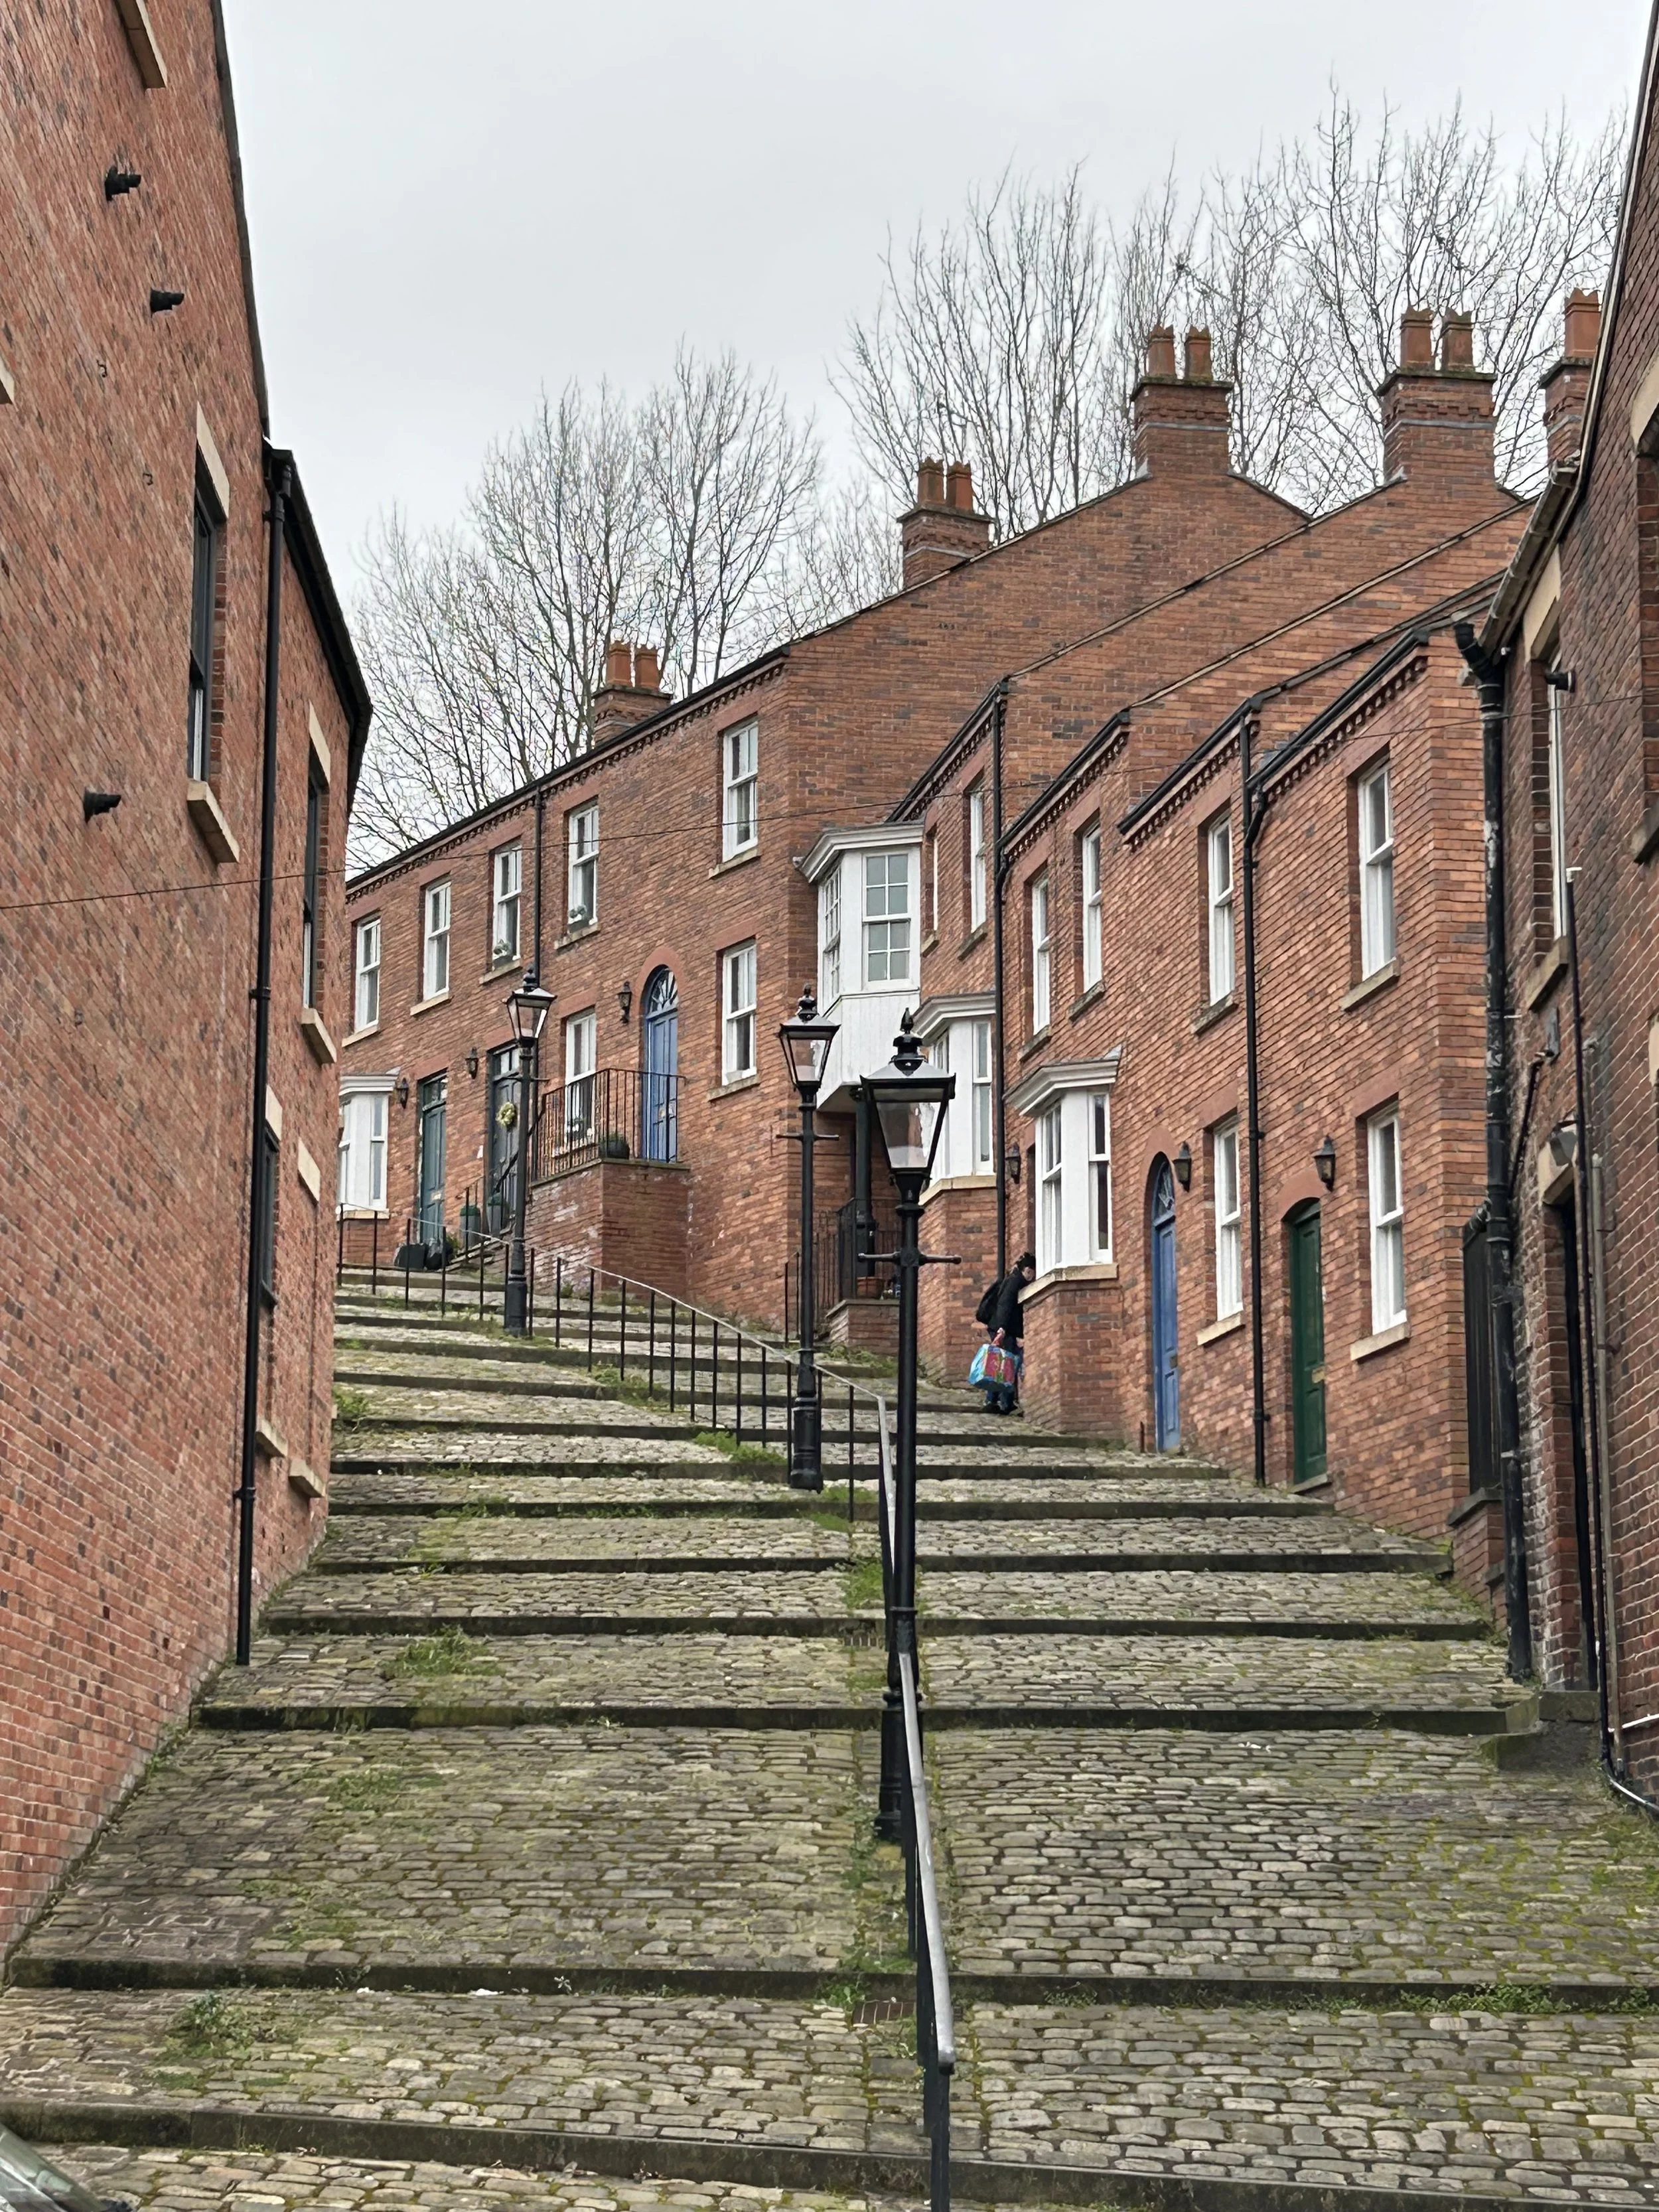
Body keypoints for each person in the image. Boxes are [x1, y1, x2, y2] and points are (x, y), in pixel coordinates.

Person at [981, 1250, 1036, 1414]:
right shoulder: (1015, 1282)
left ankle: (993, 1401)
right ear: (1024, 1270)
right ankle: (1005, 1403)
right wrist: (1002, 1329)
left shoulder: (1014, 1279)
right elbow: (1004, 1306)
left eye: (1032, 1273)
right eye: (1029, 1272)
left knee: (1002, 1364)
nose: (1031, 1276)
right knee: (1007, 1365)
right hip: (1003, 1329)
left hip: (1003, 1328)